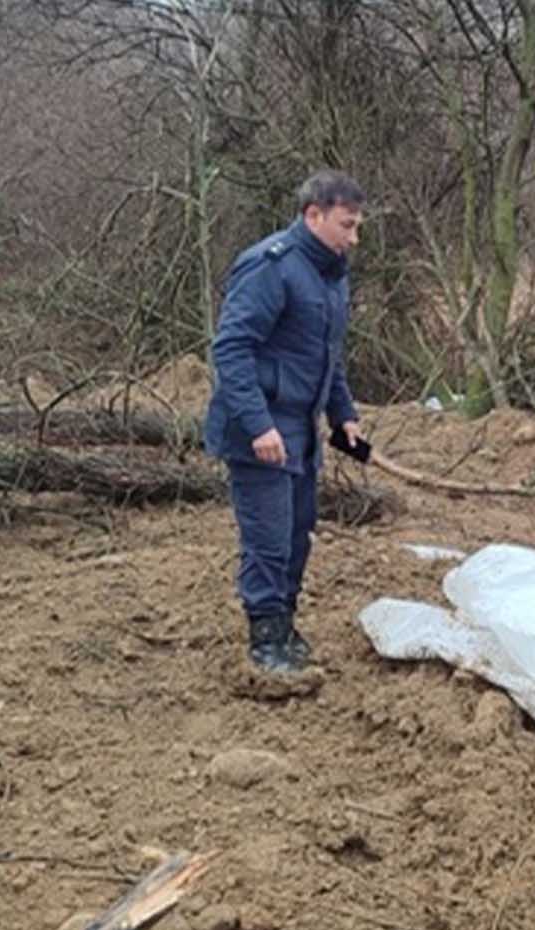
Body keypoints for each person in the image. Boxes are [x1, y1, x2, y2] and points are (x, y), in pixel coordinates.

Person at [202, 170, 367, 674]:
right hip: (260, 429)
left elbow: (326, 355)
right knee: (268, 537)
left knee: (298, 532)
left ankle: (285, 622)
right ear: (312, 215)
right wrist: (257, 425)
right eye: (346, 225)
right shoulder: (270, 267)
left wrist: (343, 416)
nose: (353, 238)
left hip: (300, 427)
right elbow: (230, 348)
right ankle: (266, 639)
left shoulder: (330, 274)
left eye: (358, 227)